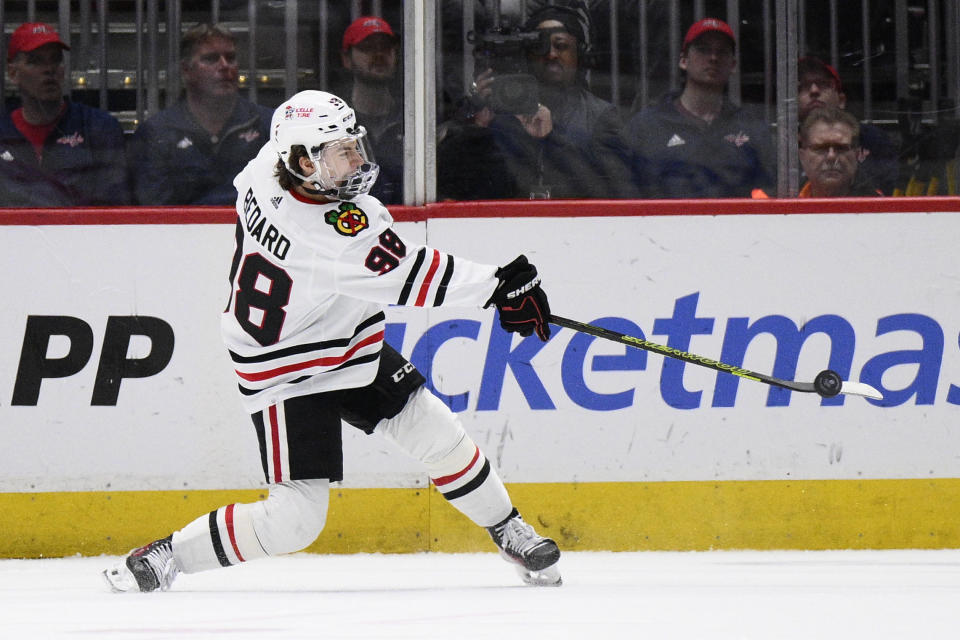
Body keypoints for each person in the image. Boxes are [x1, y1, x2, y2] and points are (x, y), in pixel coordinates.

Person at [102, 90, 562, 593]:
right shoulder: (330, 235)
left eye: (354, 144)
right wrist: (502, 285)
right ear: (303, 163)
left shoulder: (264, 166)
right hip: (284, 366)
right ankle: (168, 554)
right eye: (342, 153)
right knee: (295, 520)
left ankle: (506, 527)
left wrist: (498, 289)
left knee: (435, 432)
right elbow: (412, 274)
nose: (359, 161)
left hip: (342, 337)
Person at [437, 2, 633, 199]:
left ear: (579, 54)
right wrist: (474, 125)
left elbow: (619, 195)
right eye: (540, 47)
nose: (551, 54)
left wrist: (552, 139)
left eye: (561, 46)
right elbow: (450, 186)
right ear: (528, 55)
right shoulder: (499, 112)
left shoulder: (600, 116)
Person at [624, 18, 776, 199]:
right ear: (683, 60)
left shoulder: (752, 128)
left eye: (722, 52)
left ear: (733, 65)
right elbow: (625, 191)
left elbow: (770, 194)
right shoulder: (646, 126)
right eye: (703, 49)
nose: (713, 58)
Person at [128, 23, 273, 205]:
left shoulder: (268, 125)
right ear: (186, 70)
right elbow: (153, 210)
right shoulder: (157, 133)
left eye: (231, 58)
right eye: (211, 59)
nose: (224, 66)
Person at [0, 22, 130, 207]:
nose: (49, 69)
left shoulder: (99, 128)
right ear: (13, 73)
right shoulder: (2, 133)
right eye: (35, 61)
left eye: (55, 60)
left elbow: (115, 211)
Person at [797, 56, 899, 195]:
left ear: (842, 100)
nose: (814, 90)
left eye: (824, 84)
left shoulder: (872, 139)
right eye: (802, 86)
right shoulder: (779, 146)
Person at [339, 15, 404, 204]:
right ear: (346, 59)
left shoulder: (414, 118)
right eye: (367, 48)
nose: (379, 55)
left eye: (385, 47)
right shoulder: (334, 125)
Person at [797, 105, 883, 197]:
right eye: (821, 148)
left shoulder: (880, 207)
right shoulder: (787, 200)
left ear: (857, 155)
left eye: (841, 148)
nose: (831, 156)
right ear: (802, 157)